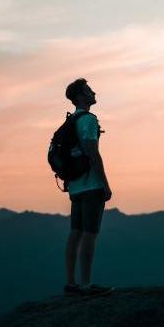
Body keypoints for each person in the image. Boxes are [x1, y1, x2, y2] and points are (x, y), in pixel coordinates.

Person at [63, 78, 114, 296]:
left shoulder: (70, 121)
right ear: (81, 96)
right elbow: (93, 154)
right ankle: (86, 285)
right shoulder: (89, 120)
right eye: (89, 90)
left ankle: (71, 283)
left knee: (75, 233)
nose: (94, 93)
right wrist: (105, 184)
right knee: (90, 235)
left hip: (75, 187)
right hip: (91, 185)